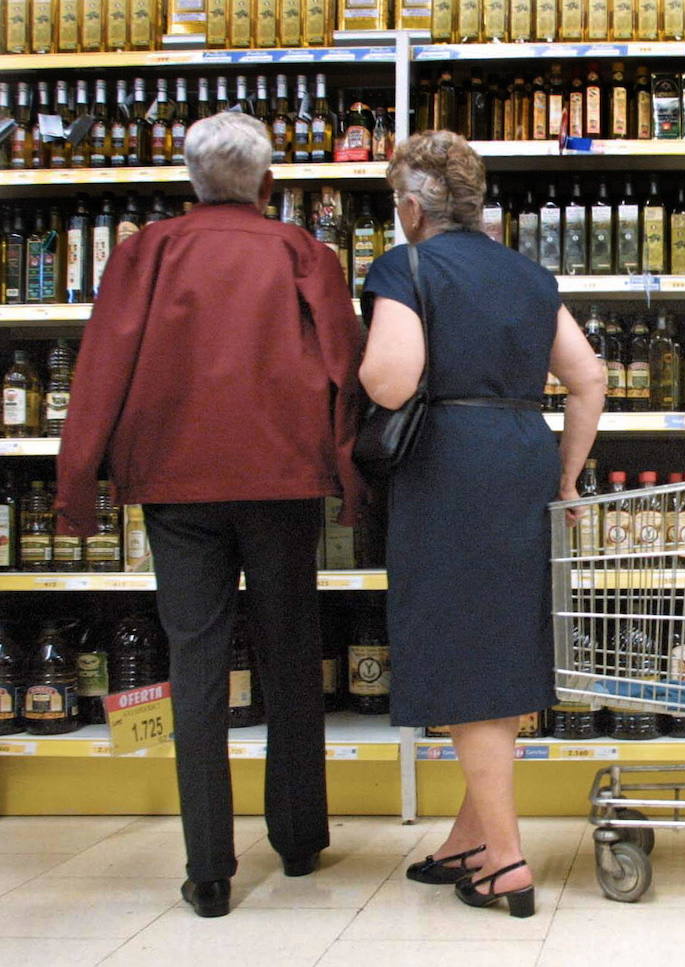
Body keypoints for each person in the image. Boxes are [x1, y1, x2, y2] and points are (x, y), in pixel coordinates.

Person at [56, 111, 366, 919]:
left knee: (194, 662)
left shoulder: (145, 252)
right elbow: (347, 364)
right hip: (282, 479)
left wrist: (76, 481)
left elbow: (101, 364)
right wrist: (351, 475)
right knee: (291, 651)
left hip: (176, 484)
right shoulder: (304, 252)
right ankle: (297, 838)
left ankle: (209, 868)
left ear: (191, 180)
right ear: (268, 184)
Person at [359, 131, 604, 919]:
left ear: (410, 206)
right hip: (520, 455)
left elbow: (391, 382)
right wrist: (565, 470)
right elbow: (588, 377)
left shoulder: (409, 265)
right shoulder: (529, 273)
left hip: (449, 467)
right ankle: (468, 837)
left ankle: (505, 859)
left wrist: (359, 364)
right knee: (497, 644)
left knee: (462, 657)